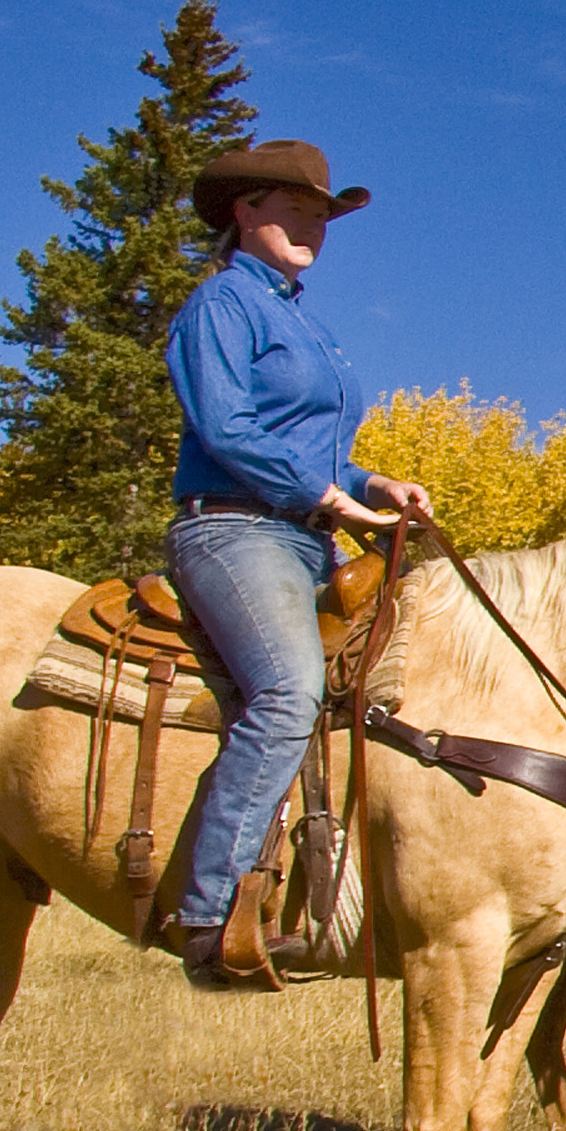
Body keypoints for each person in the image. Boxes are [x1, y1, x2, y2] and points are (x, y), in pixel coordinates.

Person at [158, 139, 435, 989]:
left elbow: (316, 449)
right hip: (234, 529)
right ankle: (209, 916)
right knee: (288, 690)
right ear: (245, 212)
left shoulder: (302, 318)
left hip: (306, 533)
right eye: (294, 208)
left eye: (321, 213)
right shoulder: (220, 305)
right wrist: (329, 497)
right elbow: (226, 429)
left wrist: (373, 483)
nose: (313, 225)